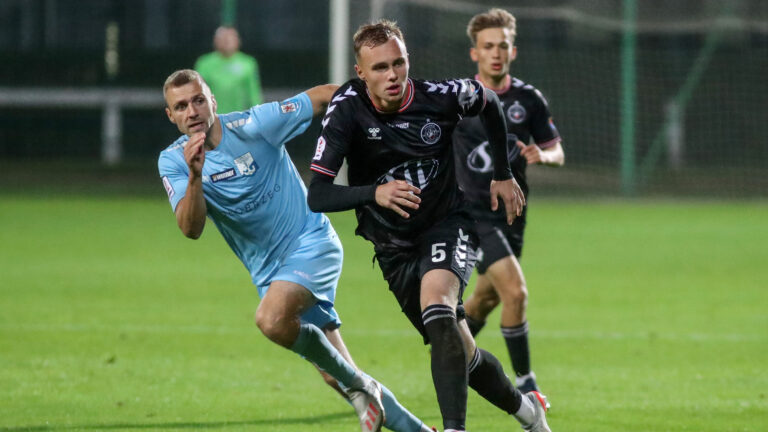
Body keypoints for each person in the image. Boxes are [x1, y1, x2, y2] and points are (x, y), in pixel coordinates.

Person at [307, 21, 551, 432]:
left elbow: (489, 102)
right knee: (462, 351)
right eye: (380, 67)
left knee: (439, 310)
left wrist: (503, 173)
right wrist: (374, 193)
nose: (393, 75)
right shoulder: (346, 108)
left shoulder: (439, 97)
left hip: (447, 223)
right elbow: (318, 195)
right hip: (392, 246)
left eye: (399, 63)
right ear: (360, 72)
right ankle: (527, 411)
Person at [158, 69, 435, 432]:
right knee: (336, 374)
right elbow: (190, 229)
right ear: (171, 115)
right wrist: (196, 176)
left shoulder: (254, 125)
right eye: (181, 106)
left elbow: (323, 95)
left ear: (212, 101)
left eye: (197, 100)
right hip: (270, 274)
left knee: (271, 320)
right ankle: (414, 427)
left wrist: (380, 111)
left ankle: (360, 387)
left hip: (311, 242)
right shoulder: (173, 161)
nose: (192, 111)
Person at [453, 8, 565, 396]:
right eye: (488, 46)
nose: (496, 53)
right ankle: (526, 386)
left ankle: (450, 348)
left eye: (503, 46)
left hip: (515, 216)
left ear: (513, 51)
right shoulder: (459, 98)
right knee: (516, 293)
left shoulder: (528, 99)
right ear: (475, 54)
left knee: (483, 301)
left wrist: (542, 155)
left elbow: (556, 151)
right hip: (474, 216)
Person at [194, 26, 263, 113]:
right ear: (215, 41)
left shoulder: (248, 63)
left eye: (230, 38)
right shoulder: (204, 63)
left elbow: (253, 94)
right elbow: (196, 92)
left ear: (238, 41)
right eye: (223, 38)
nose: (227, 41)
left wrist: (259, 114)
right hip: (212, 118)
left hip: (238, 118)